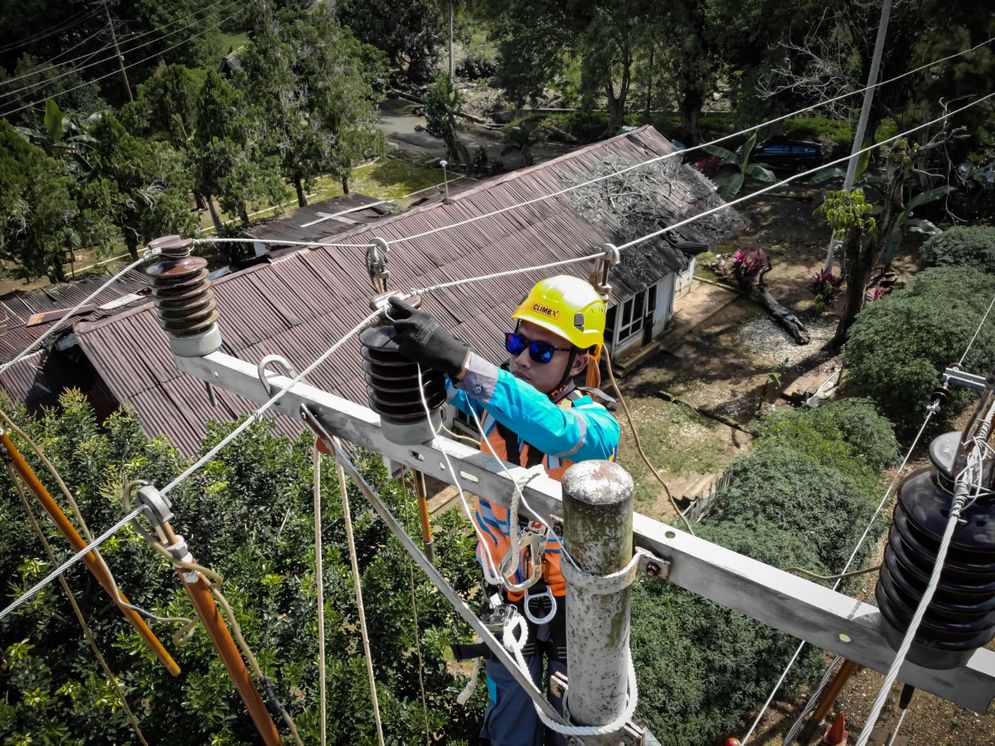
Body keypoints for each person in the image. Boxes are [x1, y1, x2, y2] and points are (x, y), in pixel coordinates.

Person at [388, 275, 620, 746]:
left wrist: (461, 361)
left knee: (572, 718)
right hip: (507, 593)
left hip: (574, 607)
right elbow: (432, 394)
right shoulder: (491, 404)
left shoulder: (597, 426)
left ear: (579, 362)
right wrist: (411, 355)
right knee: (511, 712)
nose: (519, 358)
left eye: (540, 351)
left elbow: (554, 429)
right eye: (517, 341)